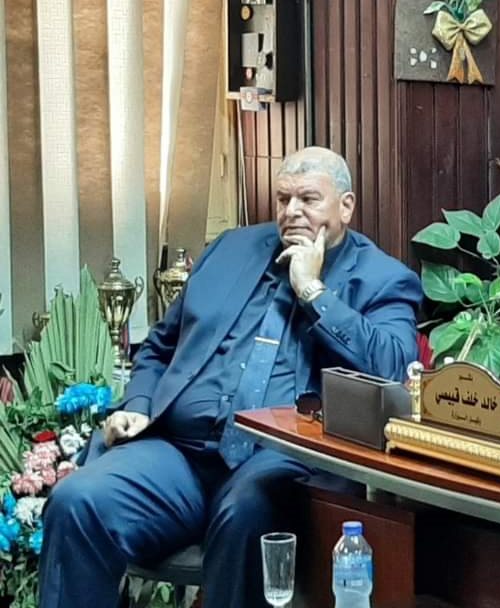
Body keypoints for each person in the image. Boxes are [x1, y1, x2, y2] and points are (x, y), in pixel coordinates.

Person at [40, 146, 422, 608]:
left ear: (346, 206)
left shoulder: (382, 278)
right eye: (283, 199)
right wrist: (138, 406)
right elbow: (161, 345)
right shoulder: (229, 249)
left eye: (308, 199)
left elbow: (395, 369)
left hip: (281, 458)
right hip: (180, 454)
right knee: (78, 500)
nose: (292, 211)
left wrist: (312, 290)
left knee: (246, 510)